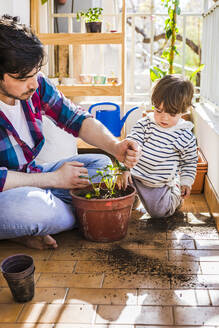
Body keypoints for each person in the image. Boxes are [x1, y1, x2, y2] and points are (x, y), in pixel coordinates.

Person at [0, 15, 141, 250]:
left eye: (35, 73)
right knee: (31, 210)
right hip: (9, 195)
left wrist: (115, 146)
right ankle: (55, 218)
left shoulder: (36, 86)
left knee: (101, 164)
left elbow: (76, 119)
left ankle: (38, 224)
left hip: (34, 177)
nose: (33, 84)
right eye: (24, 78)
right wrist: (54, 179)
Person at [118, 74, 198, 218]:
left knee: (159, 212)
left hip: (159, 184)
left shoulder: (184, 136)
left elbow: (189, 162)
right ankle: (135, 198)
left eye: (171, 113)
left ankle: (175, 195)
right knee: (119, 193)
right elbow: (131, 143)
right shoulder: (145, 124)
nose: (163, 117)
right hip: (135, 177)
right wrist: (125, 169)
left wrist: (186, 182)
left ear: (183, 111)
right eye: (158, 110)